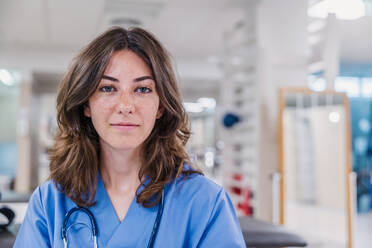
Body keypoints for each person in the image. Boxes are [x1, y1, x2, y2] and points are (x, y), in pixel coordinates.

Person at [14, 27, 246, 247]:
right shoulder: (50, 203)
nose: (125, 106)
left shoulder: (205, 203)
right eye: (107, 88)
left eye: (142, 89)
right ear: (86, 103)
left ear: (161, 107)